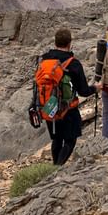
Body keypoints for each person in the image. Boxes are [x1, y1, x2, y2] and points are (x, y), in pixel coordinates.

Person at [40, 28, 95, 165]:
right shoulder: (73, 63)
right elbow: (83, 91)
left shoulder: (44, 60)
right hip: (68, 109)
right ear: (70, 43)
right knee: (70, 140)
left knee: (57, 139)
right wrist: (96, 88)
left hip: (49, 107)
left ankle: (54, 166)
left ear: (55, 42)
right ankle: (57, 169)